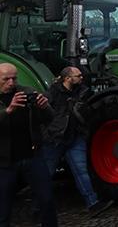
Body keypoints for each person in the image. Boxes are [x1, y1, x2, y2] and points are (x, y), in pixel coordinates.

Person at [40, 67, 113, 216]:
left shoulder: (82, 91)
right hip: (56, 138)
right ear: (67, 78)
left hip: (74, 137)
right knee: (46, 174)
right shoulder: (53, 92)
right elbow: (43, 113)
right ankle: (38, 208)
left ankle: (93, 204)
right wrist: (47, 133)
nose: (81, 77)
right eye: (78, 76)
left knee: (81, 172)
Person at [0, 63, 57, 227]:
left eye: (14, 78)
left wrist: (44, 107)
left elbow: (49, 118)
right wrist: (8, 110)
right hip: (5, 162)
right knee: (3, 208)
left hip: (32, 156)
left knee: (47, 200)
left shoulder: (26, 92)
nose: (11, 83)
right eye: (6, 79)